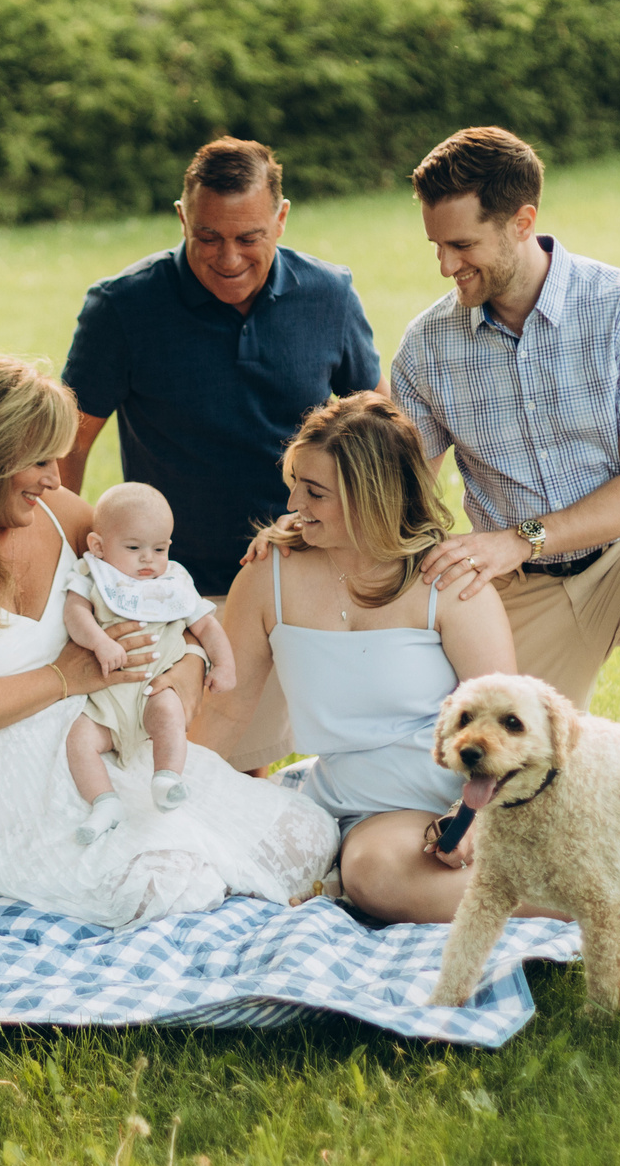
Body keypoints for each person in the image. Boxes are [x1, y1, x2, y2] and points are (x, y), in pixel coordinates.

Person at [0, 355, 337, 930]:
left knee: (305, 836)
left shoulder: (60, 516)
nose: (56, 479)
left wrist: (186, 664)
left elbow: (156, 594)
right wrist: (66, 678)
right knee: (169, 889)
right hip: (1, 792)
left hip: (108, 746)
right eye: (38, 461)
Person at [391, 126, 620, 714]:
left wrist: (520, 540)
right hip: (517, 583)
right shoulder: (427, 347)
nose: (445, 266)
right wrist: (309, 524)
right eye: (436, 246)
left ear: (522, 222)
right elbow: (399, 491)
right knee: (471, 766)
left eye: (461, 245)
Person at [59, 137, 382, 774]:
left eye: (249, 237)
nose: (228, 258)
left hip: (306, 568)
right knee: (200, 762)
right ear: (183, 217)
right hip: (172, 585)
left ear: (281, 218)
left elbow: (371, 435)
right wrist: (87, 564)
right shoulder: (121, 308)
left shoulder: (330, 295)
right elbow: (70, 446)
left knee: (346, 751)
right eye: (208, 237)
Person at [195, 394, 529, 924]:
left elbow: (509, 726)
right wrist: (166, 794)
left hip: (450, 796)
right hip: (348, 802)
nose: (292, 505)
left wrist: (472, 819)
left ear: (369, 499)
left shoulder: (448, 582)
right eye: (295, 485)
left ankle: (601, 897)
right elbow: (226, 710)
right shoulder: (267, 578)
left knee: (375, 877)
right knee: (213, 853)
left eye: (315, 492)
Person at [60, 481, 237, 843]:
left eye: (159, 548)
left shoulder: (172, 581)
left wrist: (224, 664)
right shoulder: (93, 574)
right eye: (134, 547)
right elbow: (75, 613)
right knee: (79, 740)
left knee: (169, 714)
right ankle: (104, 801)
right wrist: (99, 641)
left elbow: (206, 624)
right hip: (106, 703)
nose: (148, 559)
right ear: (98, 546)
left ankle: (166, 778)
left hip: (154, 691)